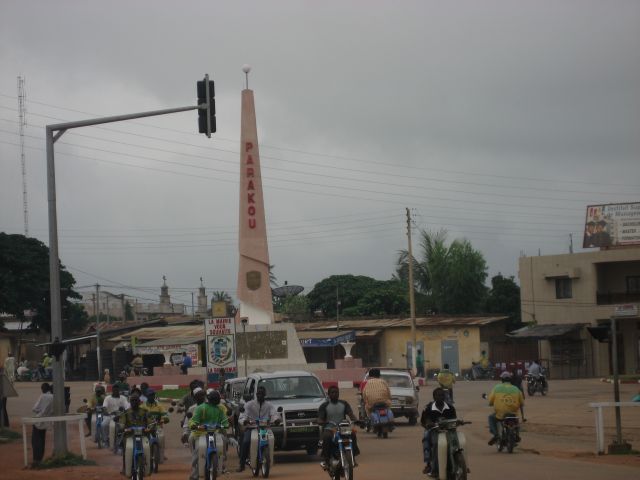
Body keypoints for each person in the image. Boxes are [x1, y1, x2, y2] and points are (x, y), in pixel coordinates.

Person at [237, 386, 281, 472]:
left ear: (265, 395)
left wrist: (276, 420)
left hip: (265, 428)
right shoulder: (249, 404)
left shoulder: (269, 405)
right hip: (251, 428)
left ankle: (270, 458)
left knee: (272, 439)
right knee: (246, 442)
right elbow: (243, 415)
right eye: (258, 394)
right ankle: (241, 464)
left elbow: (274, 414)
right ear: (256, 394)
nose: (259, 395)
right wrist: (245, 421)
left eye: (261, 394)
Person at [189, 389, 229, 479]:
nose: (215, 402)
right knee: (198, 451)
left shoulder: (219, 409)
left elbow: (225, 420)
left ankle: (222, 464)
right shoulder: (200, 408)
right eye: (214, 400)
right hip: (200, 434)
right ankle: (195, 474)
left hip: (214, 433)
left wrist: (225, 425)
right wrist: (194, 425)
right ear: (210, 399)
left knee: (223, 441)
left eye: (217, 400)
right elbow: (193, 420)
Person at [318, 385, 360, 469]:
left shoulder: (344, 403)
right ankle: (326, 460)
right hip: (329, 428)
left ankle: (352, 458)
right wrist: (322, 421)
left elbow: (351, 414)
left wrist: (355, 420)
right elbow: (320, 419)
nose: (335, 394)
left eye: (336, 392)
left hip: (342, 428)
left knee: (352, 434)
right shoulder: (324, 406)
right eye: (332, 392)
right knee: (326, 438)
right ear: (328, 394)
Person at [421, 387, 457, 476]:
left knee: (457, 442)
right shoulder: (428, 408)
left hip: (448, 431)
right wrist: (429, 423)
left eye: (442, 395)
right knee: (435, 443)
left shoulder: (450, 408)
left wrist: (458, 422)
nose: (440, 397)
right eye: (438, 395)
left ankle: (460, 464)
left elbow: (454, 420)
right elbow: (425, 421)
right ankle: (433, 468)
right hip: (435, 431)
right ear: (434, 397)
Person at [487, 371, 525, 445]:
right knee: (516, 422)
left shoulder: (497, 388)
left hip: (501, 414)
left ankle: (496, 435)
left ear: (502, 380)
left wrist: (491, 403)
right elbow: (522, 403)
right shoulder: (516, 389)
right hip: (513, 414)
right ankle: (516, 434)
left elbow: (490, 401)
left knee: (491, 418)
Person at [119, 392, 151, 476]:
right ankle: (125, 467)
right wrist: (123, 428)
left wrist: (149, 428)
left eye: (136, 400)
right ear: (130, 402)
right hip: (129, 435)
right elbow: (122, 423)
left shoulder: (144, 411)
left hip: (143, 434)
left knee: (148, 448)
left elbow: (150, 421)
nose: (134, 402)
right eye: (132, 400)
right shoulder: (126, 412)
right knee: (126, 449)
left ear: (139, 401)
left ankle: (149, 467)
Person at [141, 389, 169, 462]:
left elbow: (165, 414)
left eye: (153, 395)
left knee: (161, 438)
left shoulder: (159, 405)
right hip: (145, 427)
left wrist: (165, 419)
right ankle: (141, 456)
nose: (151, 397)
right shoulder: (142, 406)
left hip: (157, 427)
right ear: (147, 396)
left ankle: (161, 457)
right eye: (150, 395)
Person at [31, 382, 53, 464]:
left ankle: (36, 459)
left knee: (35, 441)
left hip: (38, 421)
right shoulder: (53, 397)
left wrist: (41, 411)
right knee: (42, 440)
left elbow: (34, 409)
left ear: (43, 389)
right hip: (46, 422)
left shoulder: (43, 396)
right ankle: (40, 458)